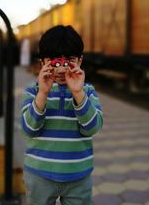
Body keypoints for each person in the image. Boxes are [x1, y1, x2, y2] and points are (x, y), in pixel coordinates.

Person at [21, 25, 103, 205]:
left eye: (69, 61)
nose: (60, 69)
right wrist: (43, 93)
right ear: (42, 62)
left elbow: (92, 127)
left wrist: (78, 93)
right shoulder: (33, 91)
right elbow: (29, 129)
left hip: (78, 176)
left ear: (80, 61)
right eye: (54, 61)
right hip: (39, 174)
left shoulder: (87, 91)